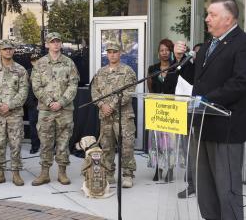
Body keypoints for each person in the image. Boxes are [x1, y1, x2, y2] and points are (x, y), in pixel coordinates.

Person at [174, 0, 246, 220]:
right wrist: (180, 59)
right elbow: (195, 80)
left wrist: (203, 100)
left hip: (226, 130)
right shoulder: (207, 46)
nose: (207, 19)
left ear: (228, 18)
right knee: (206, 190)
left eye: (212, 14)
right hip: (202, 127)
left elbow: (240, 84)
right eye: (207, 14)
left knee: (226, 191)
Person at [31, 32, 80, 186]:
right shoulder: (39, 64)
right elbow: (36, 86)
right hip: (46, 110)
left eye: (58, 41)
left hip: (64, 110)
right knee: (45, 142)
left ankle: (62, 173)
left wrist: (62, 102)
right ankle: (44, 173)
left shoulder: (69, 63)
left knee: (63, 142)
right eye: (52, 42)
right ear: (47, 44)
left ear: (61, 44)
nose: (55, 44)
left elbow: (73, 85)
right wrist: (49, 102)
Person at [91, 42, 137, 188]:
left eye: (115, 52)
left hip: (123, 116)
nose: (112, 54)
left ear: (120, 53)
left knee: (126, 146)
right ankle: (109, 174)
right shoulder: (101, 72)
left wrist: (111, 105)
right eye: (109, 52)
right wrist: (101, 105)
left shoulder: (128, 71)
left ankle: (128, 175)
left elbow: (128, 93)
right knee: (106, 146)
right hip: (105, 116)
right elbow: (94, 91)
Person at [0, 40, 28, 186]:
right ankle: (0, 174)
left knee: (16, 144)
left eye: (10, 49)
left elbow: (23, 91)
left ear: (13, 50)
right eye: (5, 49)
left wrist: (9, 105)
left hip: (14, 114)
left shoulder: (21, 70)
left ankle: (16, 173)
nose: (8, 51)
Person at [147, 39, 178, 182]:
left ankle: (170, 169)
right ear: (158, 53)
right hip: (157, 109)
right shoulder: (152, 69)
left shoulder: (176, 67)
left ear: (171, 51)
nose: (164, 53)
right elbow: (150, 89)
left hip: (173, 109)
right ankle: (158, 168)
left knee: (170, 142)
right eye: (161, 50)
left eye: (167, 50)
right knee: (156, 141)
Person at [177, 43, 203, 199]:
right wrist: (181, 58)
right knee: (189, 154)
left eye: (201, 53)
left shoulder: (213, 71)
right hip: (186, 118)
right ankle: (192, 185)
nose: (197, 56)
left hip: (206, 120)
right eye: (195, 53)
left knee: (202, 156)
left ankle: (205, 187)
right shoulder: (188, 69)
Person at [24, 54, 40, 154]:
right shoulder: (28, 73)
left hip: (45, 105)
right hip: (32, 104)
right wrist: (30, 103)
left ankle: (52, 147)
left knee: (48, 127)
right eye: (34, 60)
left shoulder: (47, 72)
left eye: (38, 60)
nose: (36, 62)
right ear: (31, 62)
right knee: (33, 126)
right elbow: (25, 89)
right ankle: (35, 146)